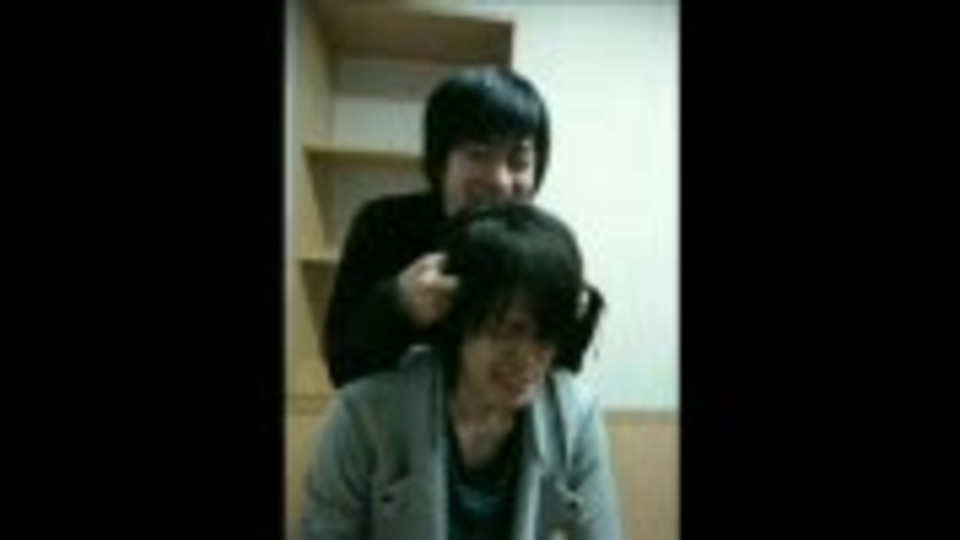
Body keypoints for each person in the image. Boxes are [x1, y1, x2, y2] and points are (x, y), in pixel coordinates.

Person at [302, 202, 619, 539]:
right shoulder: (365, 415)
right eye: (508, 330)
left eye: (546, 335)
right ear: (457, 321)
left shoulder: (575, 414)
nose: (528, 360)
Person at [324, 66, 554, 388]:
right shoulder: (383, 224)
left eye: (519, 162)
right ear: (440, 159)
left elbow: (558, 372)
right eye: (478, 154)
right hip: (395, 413)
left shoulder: (542, 243)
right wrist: (397, 304)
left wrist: (574, 317)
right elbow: (341, 366)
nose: (501, 181)